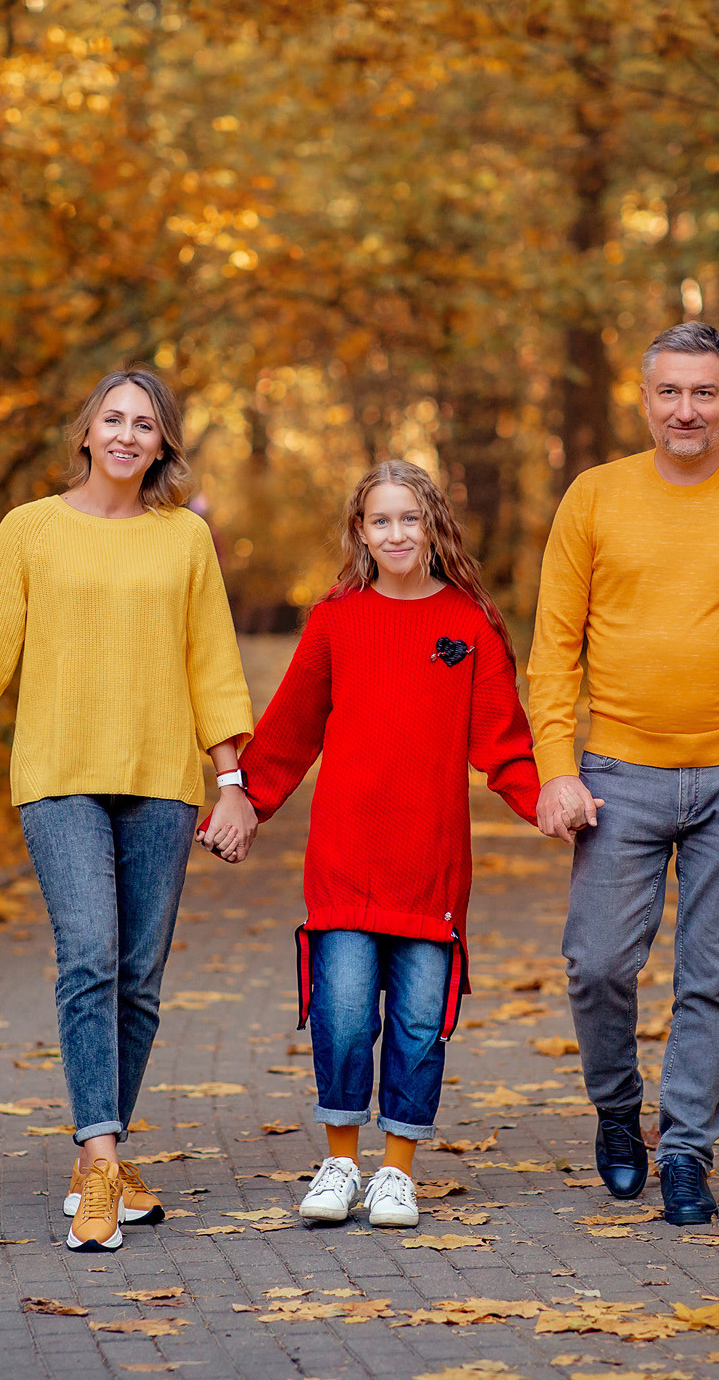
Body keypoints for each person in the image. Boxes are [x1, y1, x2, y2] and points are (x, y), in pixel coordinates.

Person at [0, 369, 255, 1253]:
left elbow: (212, 664)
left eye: (144, 424)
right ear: (85, 433)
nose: (125, 435)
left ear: (162, 445)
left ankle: (96, 1158)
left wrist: (232, 783)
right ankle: (102, 1162)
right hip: (59, 775)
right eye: (112, 418)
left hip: (160, 779)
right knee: (92, 953)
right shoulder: (29, 529)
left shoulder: (184, 538)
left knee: (140, 981)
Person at [528, 321, 719, 1225]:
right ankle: (619, 1115)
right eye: (670, 392)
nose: (686, 409)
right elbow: (554, 646)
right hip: (616, 774)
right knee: (598, 965)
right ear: (645, 397)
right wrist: (556, 766)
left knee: (711, 977)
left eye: (705, 393)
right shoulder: (594, 497)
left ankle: (690, 1151)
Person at [199, 460, 541, 1229]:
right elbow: (288, 730)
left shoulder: (468, 624)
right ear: (361, 530)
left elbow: (505, 745)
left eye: (409, 519)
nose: (396, 533)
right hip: (346, 860)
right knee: (346, 1014)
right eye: (380, 520)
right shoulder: (336, 619)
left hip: (431, 867)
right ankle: (341, 1161)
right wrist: (244, 803)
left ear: (434, 527)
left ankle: (397, 1171)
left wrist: (548, 802)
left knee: (421, 1023)